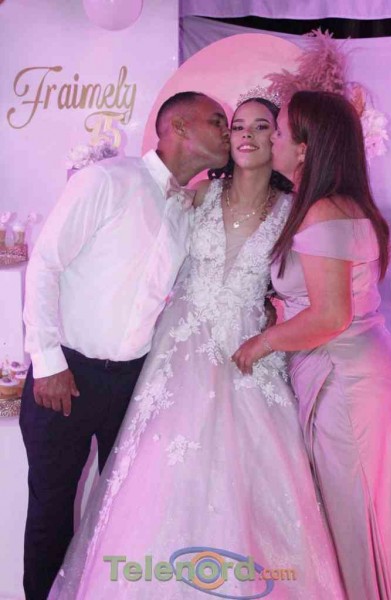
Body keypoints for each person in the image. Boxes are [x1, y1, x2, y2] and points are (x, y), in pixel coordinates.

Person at [49, 96, 344, 599]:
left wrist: (274, 320)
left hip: (249, 356)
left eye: (262, 126)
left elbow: (306, 289)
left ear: (279, 139)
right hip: (177, 350)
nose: (246, 135)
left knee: (247, 488)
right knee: (160, 476)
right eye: (237, 125)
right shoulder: (200, 194)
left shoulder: (295, 211)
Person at [19, 91, 230, 600]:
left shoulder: (186, 208)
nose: (227, 132)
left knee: (120, 512)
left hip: (135, 382)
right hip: (66, 375)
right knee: (52, 511)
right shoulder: (107, 180)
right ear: (179, 127)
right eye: (217, 121)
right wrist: (47, 362)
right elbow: (45, 265)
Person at [232, 90, 391, 600]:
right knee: (365, 509)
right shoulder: (340, 204)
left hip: (343, 377)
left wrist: (263, 342)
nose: (272, 141)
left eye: (280, 132)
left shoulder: (323, 211)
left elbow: (330, 315)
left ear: (304, 148)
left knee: (355, 515)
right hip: (354, 368)